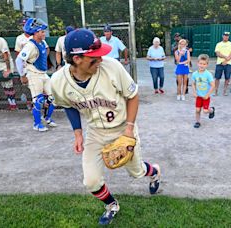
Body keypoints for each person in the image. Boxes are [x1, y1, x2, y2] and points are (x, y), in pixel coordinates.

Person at [50, 28, 161, 225]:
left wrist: (129, 129)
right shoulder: (58, 81)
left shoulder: (112, 67)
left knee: (136, 173)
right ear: (77, 59)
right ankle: (111, 205)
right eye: (94, 58)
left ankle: (154, 172)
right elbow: (68, 106)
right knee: (91, 181)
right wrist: (78, 134)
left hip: (122, 128)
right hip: (95, 133)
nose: (100, 60)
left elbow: (133, 96)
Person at [15, 18, 57, 132]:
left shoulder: (42, 42)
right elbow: (19, 60)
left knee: (53, 97)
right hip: (33, 75)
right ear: (35, 32)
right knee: (38, 100)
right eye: (42, 31)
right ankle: (37, 124)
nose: (44, 33)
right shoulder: (30, 45)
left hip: (43, 74)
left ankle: (47, 118)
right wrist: (22, 75)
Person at [191, 54, 215, 128]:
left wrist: (208, 94)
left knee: (205, 111)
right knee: (197, 110)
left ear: (207, 65)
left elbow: (213, 85)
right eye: (200, 63)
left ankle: (211, 110)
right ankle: (197, 122)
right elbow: (193, 83)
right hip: (198, 95)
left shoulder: (208, 74)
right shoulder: (195, 74)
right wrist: (194, 92)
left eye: (204, 64)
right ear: (198, 63)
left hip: (206, 96)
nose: (202, 65)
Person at [214, 31, 231, 96]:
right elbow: (217, 53)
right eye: (225, 35)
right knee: (217, 77)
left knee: (227, 77)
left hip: (228, 63)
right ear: (222, 36)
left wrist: (227, 59)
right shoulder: (218, 44)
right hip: (219, 63)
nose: (226, 37)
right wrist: (226, 57)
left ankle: (224, 91)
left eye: (227, 36)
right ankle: (216, 91)